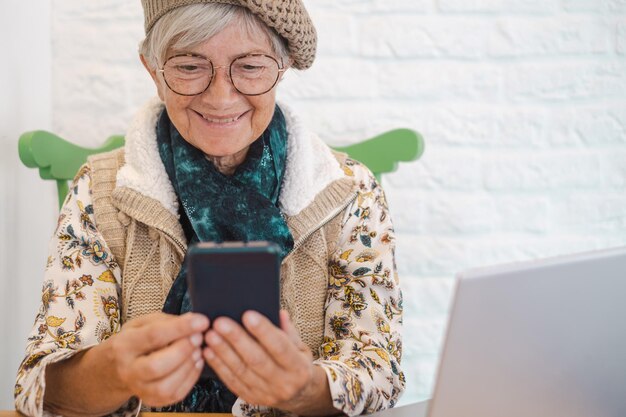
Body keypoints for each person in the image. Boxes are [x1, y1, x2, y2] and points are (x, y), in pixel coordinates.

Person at [14, 1, 405, 416]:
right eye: (189, 67)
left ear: (282, 67)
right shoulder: (99, 188)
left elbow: (379, 371)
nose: (221, 97)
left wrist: (304, 388)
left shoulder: (349, 189)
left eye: (251, 67)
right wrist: (113, 370)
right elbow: (37, 390)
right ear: (153, 70)